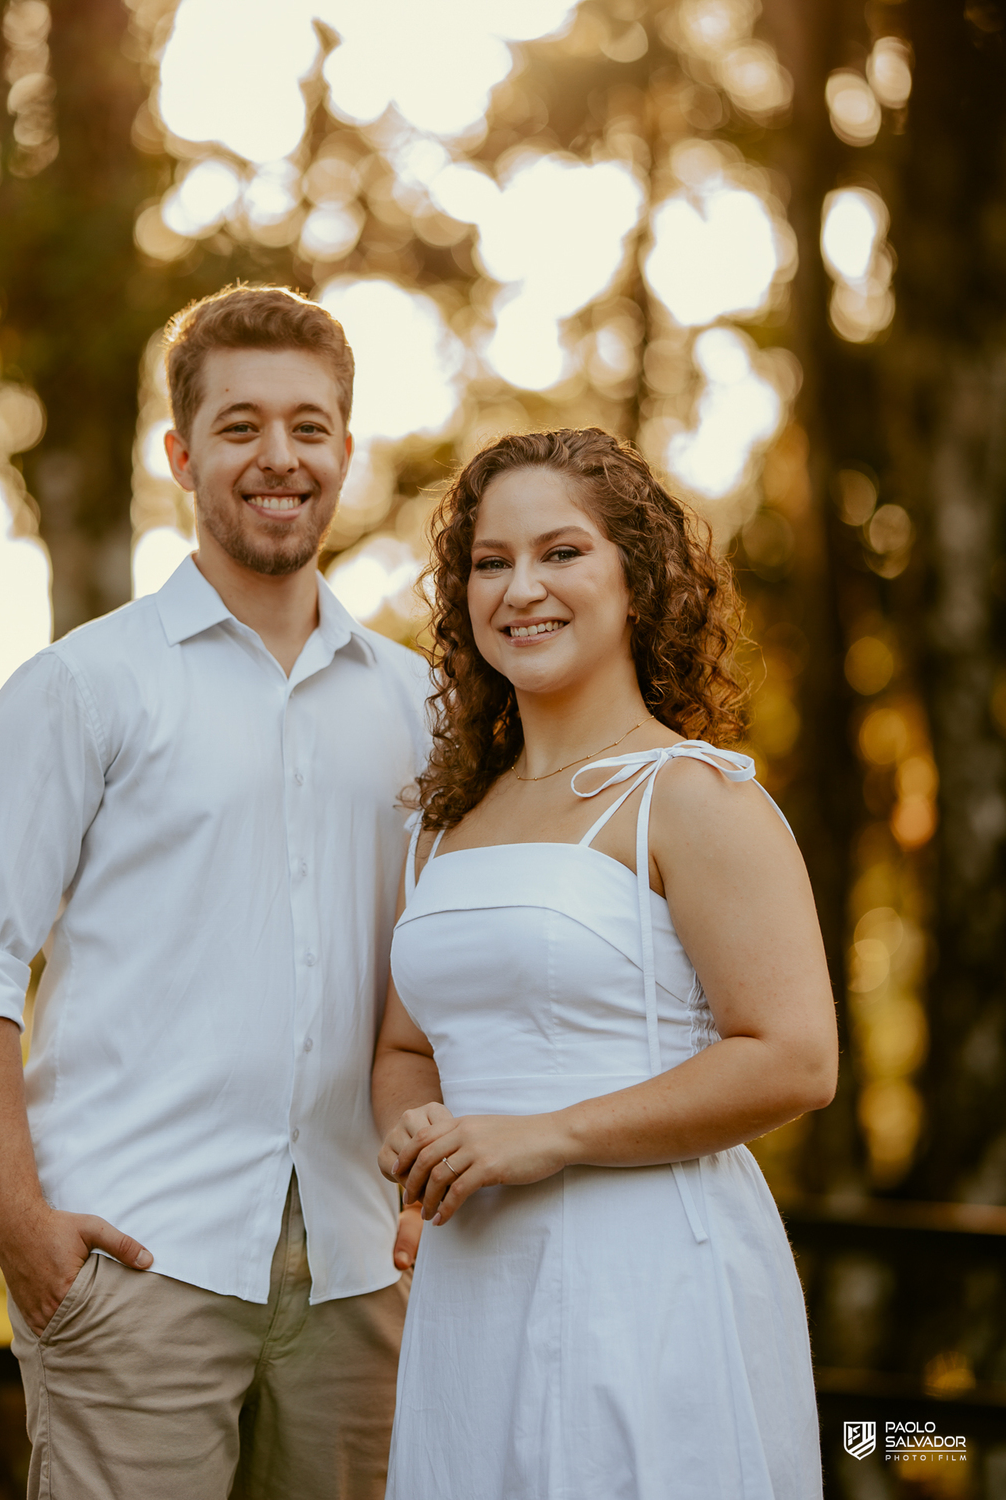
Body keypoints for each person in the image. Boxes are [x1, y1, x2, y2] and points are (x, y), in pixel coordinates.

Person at [0, 285, 430, 1500]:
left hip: (369, 1274)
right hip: (138, 1267)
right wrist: (21, 1230)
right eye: (241, 425)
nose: (279, 457)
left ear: (347, 452)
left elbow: (448, 975)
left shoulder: (427, 707)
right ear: (180, 451)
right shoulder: (81, 688)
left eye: (310, 427)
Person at [373, 428, 837, 1500]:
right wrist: (415, 1146)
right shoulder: (443, 826)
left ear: (639, 581)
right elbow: (406, 1045)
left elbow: (795, 1059)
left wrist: (549, 1137)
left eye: (561, 553)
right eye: (491, 562)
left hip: (651, 1280)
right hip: (472, 1287)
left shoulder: (690, 797)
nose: (521, 589)